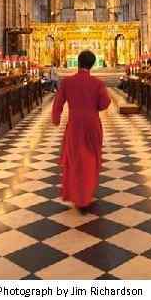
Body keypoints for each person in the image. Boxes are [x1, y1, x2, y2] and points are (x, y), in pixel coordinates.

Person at [52, 50, 111, 213]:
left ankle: (77, 195)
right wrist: (94, 107)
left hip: (75, 124)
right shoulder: (98, 83)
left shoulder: (67, 82)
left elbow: (58, 103)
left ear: (78, 62)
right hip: (92, 124)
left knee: (75, 158)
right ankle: (86, 196)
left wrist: (56, 119)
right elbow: (105, 103)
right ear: (92, 64)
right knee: (91, 159)